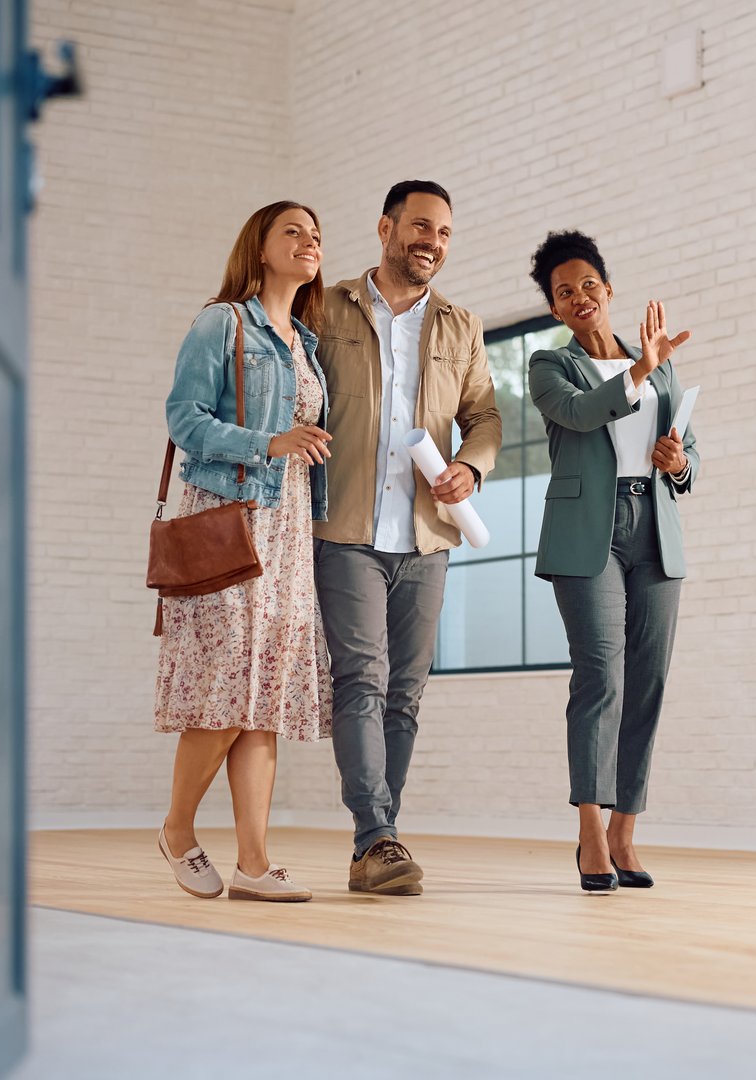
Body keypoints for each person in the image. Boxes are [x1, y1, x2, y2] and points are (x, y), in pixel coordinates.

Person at [313, 180, 502, 895]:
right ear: (386, 228)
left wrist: (469, 467)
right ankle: (376, 835)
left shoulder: (462, 326)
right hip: (346, 529)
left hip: (427, 538)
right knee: (360, 678)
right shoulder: (326, 307)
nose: (433, 242)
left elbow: (485, 417)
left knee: (406, 693)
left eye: (444, 232)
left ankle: (376, 844)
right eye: (421, 226)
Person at [154, 200, 335, 903]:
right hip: (228, 521)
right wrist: (268, 443)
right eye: (293, 230)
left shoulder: (306, 343)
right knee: (224, 690)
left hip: (287, 536)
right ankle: (177, 829)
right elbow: (183, 418)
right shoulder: (222, 322)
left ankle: (254, 865)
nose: (309, 241)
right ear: (260, 247)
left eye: (315, 234)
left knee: (262, 701)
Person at [525, 230, 700, 892]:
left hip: (655, 528)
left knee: (648, 681)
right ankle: (591, 833)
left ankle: (626, 831)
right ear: (554, 306)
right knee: (601, 676)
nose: (580, 297)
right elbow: (580, 414)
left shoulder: (657, 362)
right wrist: (638, 370)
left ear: (608, 289)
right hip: (585, 534)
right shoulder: (549, 365)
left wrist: (677, 461)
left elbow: (689, 446)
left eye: (589, 285)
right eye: (564, 292)